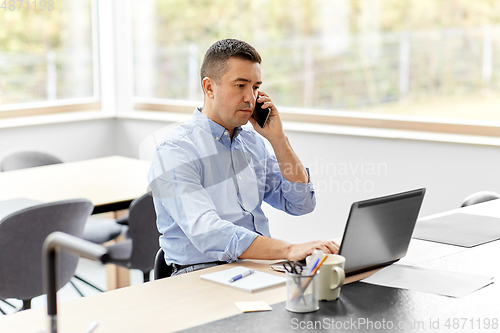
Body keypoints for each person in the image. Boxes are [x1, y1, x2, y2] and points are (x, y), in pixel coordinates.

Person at [148, 39, 338, 276]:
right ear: (209, 88)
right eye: (240, 85)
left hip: (257, 269)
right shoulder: (176, 151)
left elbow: (300, 203)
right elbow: (208, 233)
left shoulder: (252, 143)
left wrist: (278, 140)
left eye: (256, 87)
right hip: (200, 274)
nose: (251, 98)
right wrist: (289, 249)